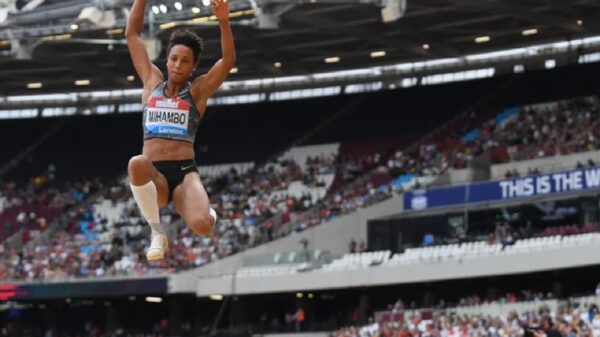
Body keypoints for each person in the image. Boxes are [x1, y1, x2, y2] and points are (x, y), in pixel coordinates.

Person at [125, 0, 236, 260]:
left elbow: (228, 61)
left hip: (185, 173)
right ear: (167, 60)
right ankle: (156, 232)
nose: (177, 65)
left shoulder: (197, 91)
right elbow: (132, 34)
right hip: (156, 177)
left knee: (203, 227)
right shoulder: (151, 82)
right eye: (174, 59)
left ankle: (208, 213)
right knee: (136, 163)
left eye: (184, 61)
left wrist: (223, 21)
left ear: (193, 66)